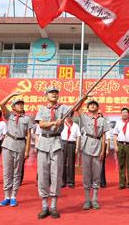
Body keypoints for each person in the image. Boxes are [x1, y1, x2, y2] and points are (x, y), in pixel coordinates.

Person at [35, 86, 86, 219]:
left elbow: (75, 107)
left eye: (56, 93)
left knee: (56, 174)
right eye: (51, 93)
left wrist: (82, 99)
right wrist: (53, 122)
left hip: (57, 142)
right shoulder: (42, 109)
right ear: (46, 95)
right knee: (43, 175)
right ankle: (44, 206)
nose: (54, 94)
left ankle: (53, 206)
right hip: (43, 143)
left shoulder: (63, 108)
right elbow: (41, 124)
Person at [0, 92, 33, 207]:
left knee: (17, 172)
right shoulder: (9, 116)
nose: (20, 105)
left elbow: (29, 135)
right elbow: (1, 103)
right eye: (18, 104)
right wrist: (12, 95)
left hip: (20, 145)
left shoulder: (27, 119)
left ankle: (13, 196)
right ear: (13, 107)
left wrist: (27, 150)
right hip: (8, 144)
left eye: (22, 104)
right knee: (7, 171)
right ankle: (6, 196)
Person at [79, 100, 110, 210]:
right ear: (87, 107)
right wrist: (83, 99)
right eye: (90, 104)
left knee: (96, 174)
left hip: (98, 146)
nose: (92, 106)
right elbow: (76, 108)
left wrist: (103, 150)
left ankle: (95, 200)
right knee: (86, 174)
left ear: (97, 108)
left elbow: (103, 136)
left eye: (95, 104)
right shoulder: (84, 117)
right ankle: (87, 200)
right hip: (87, 146)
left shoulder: (102, 120)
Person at [112, 107, 129, 190]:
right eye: (123, 112)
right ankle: (122, 183)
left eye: (126, 112)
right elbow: (115, 134)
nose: (124, 114)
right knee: (121, 164)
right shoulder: (118, 122)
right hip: (120, 144)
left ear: (128, 113)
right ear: (121, 114)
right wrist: (116, 145)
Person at [61, 116, 80, 188]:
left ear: (72, 117)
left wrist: (77, 147)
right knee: (62, 163)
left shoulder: (75, 125)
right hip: (63, 143)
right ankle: (63, 181)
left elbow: (78, 136)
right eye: (67, 116)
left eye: (70, 116)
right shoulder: (62, 124)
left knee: (71, 163)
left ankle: (71, 182)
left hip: (72, 144)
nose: (68, 118)